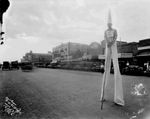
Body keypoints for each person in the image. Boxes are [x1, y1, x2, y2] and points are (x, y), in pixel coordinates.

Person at [100, 10, 124, 106]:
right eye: (107, 23)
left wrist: (111, 43)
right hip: (108, 46)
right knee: (106, 66)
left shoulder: (114, 30)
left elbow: (115, 38)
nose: (108, 25)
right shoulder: (105, 31)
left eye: (110, 23)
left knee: (116, 66)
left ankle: (118, 99)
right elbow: (105, 38)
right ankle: (102, 95)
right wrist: (107, 43)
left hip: (113, 45)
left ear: (112, 23)